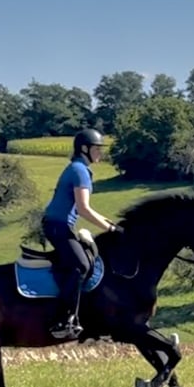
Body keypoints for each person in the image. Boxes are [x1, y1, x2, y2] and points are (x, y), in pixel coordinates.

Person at [42, 128, 124, 339]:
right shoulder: (80, 171)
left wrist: (112, 224)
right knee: (81, 265)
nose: (100, 153)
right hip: (57, 226)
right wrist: (110, 229)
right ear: (84, 149)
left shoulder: (79, 168)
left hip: (60, 226)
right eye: (97, 149)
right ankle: (63, 320)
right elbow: (84, 208)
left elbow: (85, 209)